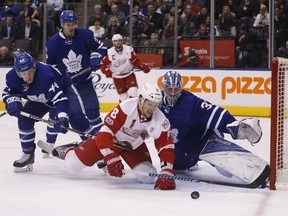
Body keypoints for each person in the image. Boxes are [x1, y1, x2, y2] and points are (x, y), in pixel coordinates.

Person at [42, 82, 176, 190]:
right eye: (149, 104)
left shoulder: (160, 119)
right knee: (72, 166)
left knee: (148, 177)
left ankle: (98, 155)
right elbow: (105, 132)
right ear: (140, 99)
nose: (152, 109)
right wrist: (110, 156)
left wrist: (166, 171)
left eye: (155, 105)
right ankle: (70, 150)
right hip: (110, 142)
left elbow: (166, 145)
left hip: (132, 146)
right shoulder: (126, 107)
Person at [159, 71, 270, 187]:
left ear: (181, 88)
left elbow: (213, 112)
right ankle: (191, 163)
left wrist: (233, 125)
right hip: (180, 151)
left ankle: (217, 141)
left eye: (175, 89)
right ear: (163, 87)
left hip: (201, 142)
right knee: (178, 167)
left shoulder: (190, 102)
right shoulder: (157, 102)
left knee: (226, 172)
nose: (172, 93)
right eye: (169, 89)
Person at [45, 10, 107, 150]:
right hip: (67, 86)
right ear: (62, 24)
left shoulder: (85, 35)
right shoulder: (53, 43)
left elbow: (102, 47)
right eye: (68, 24)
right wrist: (60, 78)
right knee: (58, 113)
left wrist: (96, 56)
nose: (71, 27)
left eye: (73, 23)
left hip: (85, 80)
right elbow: (50, 67)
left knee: (93, 113)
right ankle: (49, 142)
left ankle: (103, 142)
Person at [1, 52, 70, 172]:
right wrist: (12, 101)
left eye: (30, 72)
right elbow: (8, 93)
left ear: (34, 67)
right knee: (24, 121)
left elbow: (59, 100)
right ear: (18, 72)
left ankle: (92, 148)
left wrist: (63, 116)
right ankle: (27, 154)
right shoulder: (12, 77)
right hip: (39, 100)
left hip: (61, 94)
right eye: (23, 73)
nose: (28, 77)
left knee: (61, 119)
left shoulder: (46, 76)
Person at [100, 34, 151, 102]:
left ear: (122, 41)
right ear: (113, 42)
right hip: (117, 77)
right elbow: (103, 64)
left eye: (119, 40)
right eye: (116, 41)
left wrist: (142, 66)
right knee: (123, 97)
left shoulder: (128, 49)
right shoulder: (109, 52)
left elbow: (135, 60)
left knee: (134, 91)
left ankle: (133, 109)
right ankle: (123, 110)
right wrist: (106, 71)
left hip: (129, 74)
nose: (118, 42)